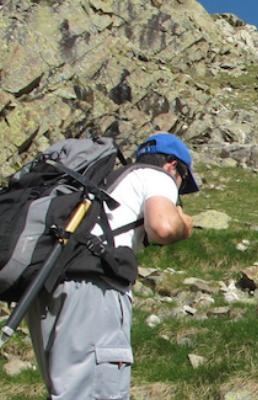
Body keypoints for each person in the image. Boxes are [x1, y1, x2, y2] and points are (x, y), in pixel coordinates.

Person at [27, 132, 197, 399]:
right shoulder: (157, 176)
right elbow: (162, 227)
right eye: (182, 182)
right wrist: (185, 226)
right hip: (95, 288)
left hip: (48, 286)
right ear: (172, 166)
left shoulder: (108, 182)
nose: (178, 190)